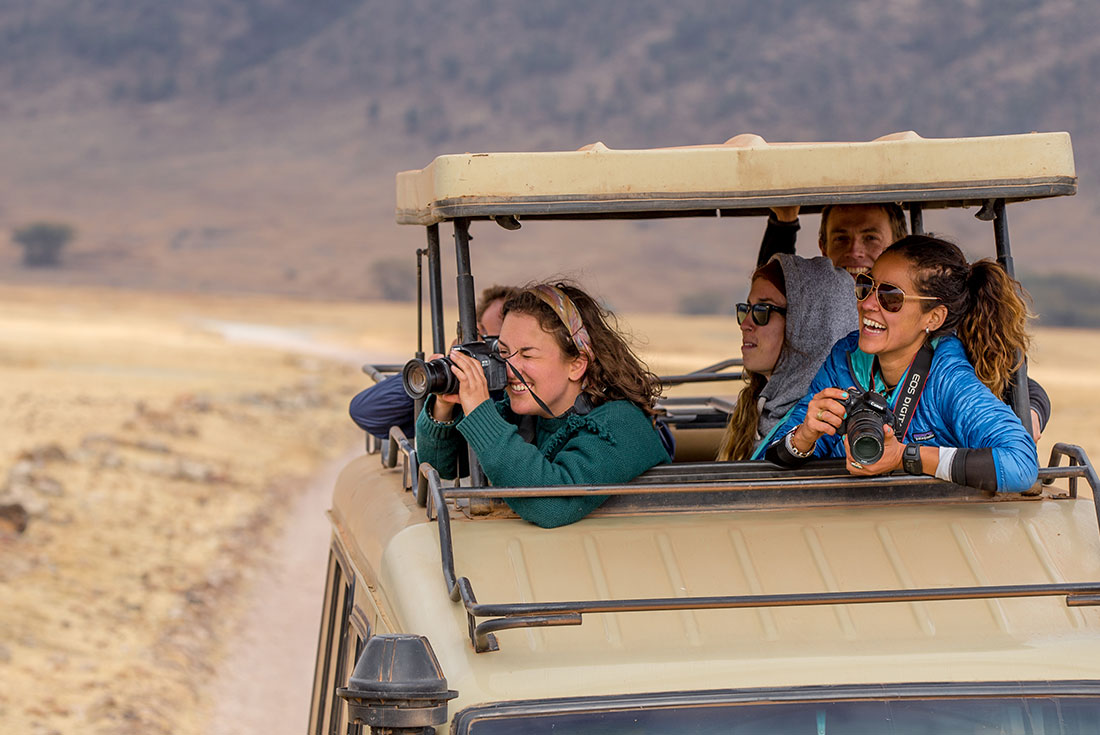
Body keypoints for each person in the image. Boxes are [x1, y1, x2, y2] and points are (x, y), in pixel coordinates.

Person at [766, 235, 1039, 493]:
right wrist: (804, 435)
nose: (868, 304)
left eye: (891, 297)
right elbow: (770, 458)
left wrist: (905, 457)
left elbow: (1021, 464)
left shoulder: (948, 379)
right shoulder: (844, 358)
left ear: (933, 318)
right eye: (865, 286)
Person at [756, 204, 1050, 439]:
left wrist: (1030, 412)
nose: (855, 250)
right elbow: (767, 293)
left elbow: (1008, 377)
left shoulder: (934, 323)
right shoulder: (808, 311)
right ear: (823, 245)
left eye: (871, 238)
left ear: (897, 246)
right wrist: (783, 223)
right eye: (841, 238)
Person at [415, 281, 670, 528]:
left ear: (577, 364)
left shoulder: (621, 425)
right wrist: (444, 405)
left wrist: (482, 414)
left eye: (527, 355)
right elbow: (443, 466)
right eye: (504, 353)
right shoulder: (527, 415)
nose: (510, 369)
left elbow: (552, 504)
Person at [717, 254, 858, 460]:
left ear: (809, 327)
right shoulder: (759, 408)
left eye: (762, 310)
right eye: (746, 309)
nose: (745, 323)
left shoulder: (834, 425)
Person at [348, 285, 518, 441]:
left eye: (494, 344)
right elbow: (365, 411)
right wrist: (440, 376)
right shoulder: (456, 390)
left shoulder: (519, 397)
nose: (483, 348)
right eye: (478, 337)